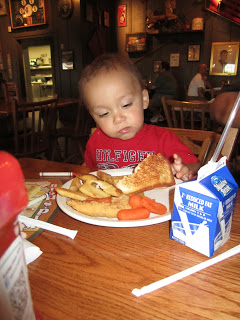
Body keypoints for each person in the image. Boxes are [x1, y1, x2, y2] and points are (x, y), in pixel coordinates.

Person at [78, 53, 201, 181]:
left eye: (126, 105)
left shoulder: (163, 139)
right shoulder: (95, 141)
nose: (118, 119)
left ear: (144, 99)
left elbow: (196, 165)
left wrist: (185, 168)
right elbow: (88, 170)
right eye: (104, 114)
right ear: (94, 117)